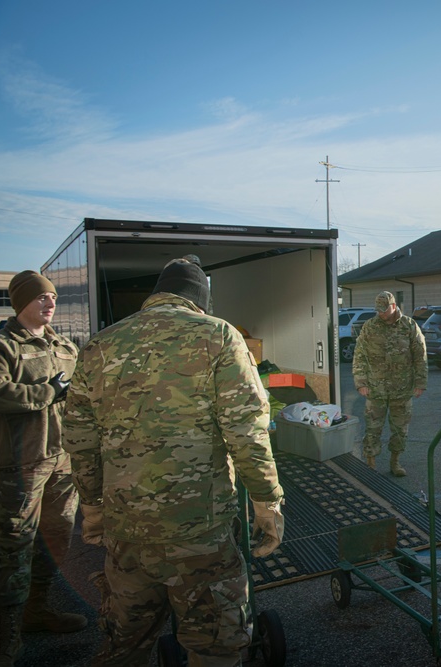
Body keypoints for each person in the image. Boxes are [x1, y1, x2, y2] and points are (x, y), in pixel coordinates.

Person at [62, 256, 285, 666]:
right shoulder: (219, 336)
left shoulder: (99, 344)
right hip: (201, 533)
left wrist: (91, 507)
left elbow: (79, 438)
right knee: (215, 646)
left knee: (124, 647)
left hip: (128, 530)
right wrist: (266, 502)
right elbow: (247, 432)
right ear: (200, 298)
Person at [0, 271, 84, 666]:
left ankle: (38, 611)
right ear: (21, 303)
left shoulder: (65, 346)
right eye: (41, 298)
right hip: (19, 466)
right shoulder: (3, 345)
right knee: (12, 551)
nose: (50, 303)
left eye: (52, 296)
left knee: (54, 540)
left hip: (62, 462)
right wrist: (50, 391)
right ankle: (5, 642)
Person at [352, 291, 428, 477]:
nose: (381, 313)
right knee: (373, 427)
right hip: (375, 387)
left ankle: (396, 461)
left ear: (393, 306)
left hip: (402, 389)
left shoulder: (409, 325)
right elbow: (359, 355)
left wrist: (420, 382)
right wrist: (361, 382)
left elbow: (420, 355)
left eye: (384, 310)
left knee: (400, 429)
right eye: (378, 310)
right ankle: (370, 461)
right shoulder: (370, 327)